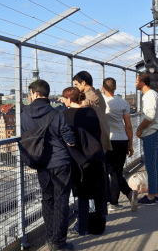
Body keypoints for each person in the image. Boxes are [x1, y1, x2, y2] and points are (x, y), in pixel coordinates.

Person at [21, 80, 76, 250]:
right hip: (61, 163)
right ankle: (59, 243)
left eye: (30, 94)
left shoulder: (24, 114)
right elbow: (70, 140)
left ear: (35, 94)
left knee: (47, 200)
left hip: (40, 163)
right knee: (61, 201)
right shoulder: (57, 114)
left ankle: (50, 238)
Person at [60, 87, 107, 236]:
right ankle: (99, 225)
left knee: (82, 195)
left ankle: (82, 227)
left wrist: (64, 107)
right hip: (95, 157)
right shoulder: (91, 112)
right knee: (98, 191)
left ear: (68, 99)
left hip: (78, 161)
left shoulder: (65, 115)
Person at [102, 77, 138, 212]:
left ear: (103, 88)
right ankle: (129, 193)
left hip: (107, 141)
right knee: (116, 171)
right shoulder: (123, 102)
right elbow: (128, 125)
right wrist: (130, 144)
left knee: (111, 172)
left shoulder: (101, 102)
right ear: (115, 88)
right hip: (122, 140)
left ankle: (114, 202)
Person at [135, 74, 158, 205]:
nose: (135, 83)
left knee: (151, 166)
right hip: (157, 133)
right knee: (157, 165)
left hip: (151, 133)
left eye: (136, 81)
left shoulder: (148, 95)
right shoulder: (155, 94)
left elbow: (150, 116)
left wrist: (139, 129)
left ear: (142, 82)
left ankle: (151, 196)